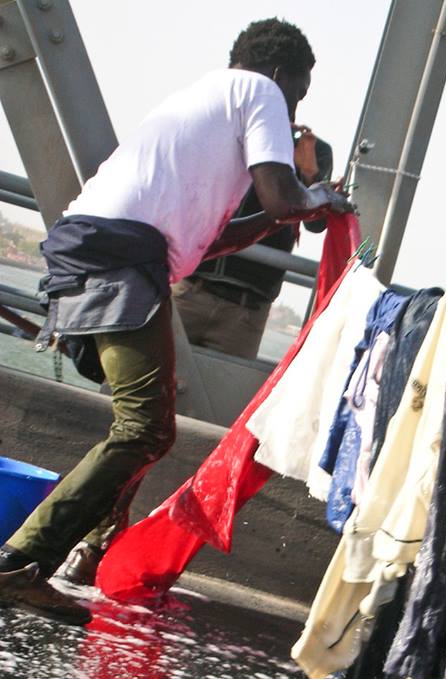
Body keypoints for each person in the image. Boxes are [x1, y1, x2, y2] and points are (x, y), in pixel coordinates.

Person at [0, 18, 350, 624]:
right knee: (145, 429)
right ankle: (19, 564)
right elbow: (282, 198)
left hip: (106, 249)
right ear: (281, 74)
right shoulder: (259, 91)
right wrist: (320, 198)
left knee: (140, 424)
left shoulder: (204, 104)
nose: (293, 107)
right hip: (118, 257)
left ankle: (78, 553)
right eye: (299, 91)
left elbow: (208, 242)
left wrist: (284, 214)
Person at [175, 114, 334, 358]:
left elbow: (317, 224)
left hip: (246, 312)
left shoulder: (313, 150)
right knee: (145, 384)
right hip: (189, 290)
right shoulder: (227, 131)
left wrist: (310, 174)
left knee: (223, 395)